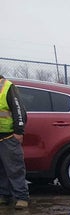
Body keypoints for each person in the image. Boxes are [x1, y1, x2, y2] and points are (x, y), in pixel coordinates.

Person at [0, 73, 29, 208]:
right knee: (2, 169)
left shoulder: (7, 87)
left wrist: (18, 131)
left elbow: (18, 110)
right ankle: (4, 195)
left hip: (8, 135)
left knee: (14, 168)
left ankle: (21, 197)